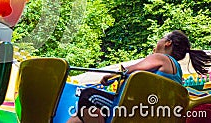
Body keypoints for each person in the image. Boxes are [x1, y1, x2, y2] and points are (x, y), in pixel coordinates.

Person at [67, 30, 211, 123]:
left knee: (89, 96)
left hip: (135, 111)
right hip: (155, 112)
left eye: (162, 38)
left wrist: (110, 76)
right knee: (78, 117)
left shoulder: (160, 58)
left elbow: (130, 69)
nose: (158, 41)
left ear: (168, 43)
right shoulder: (177, 71)